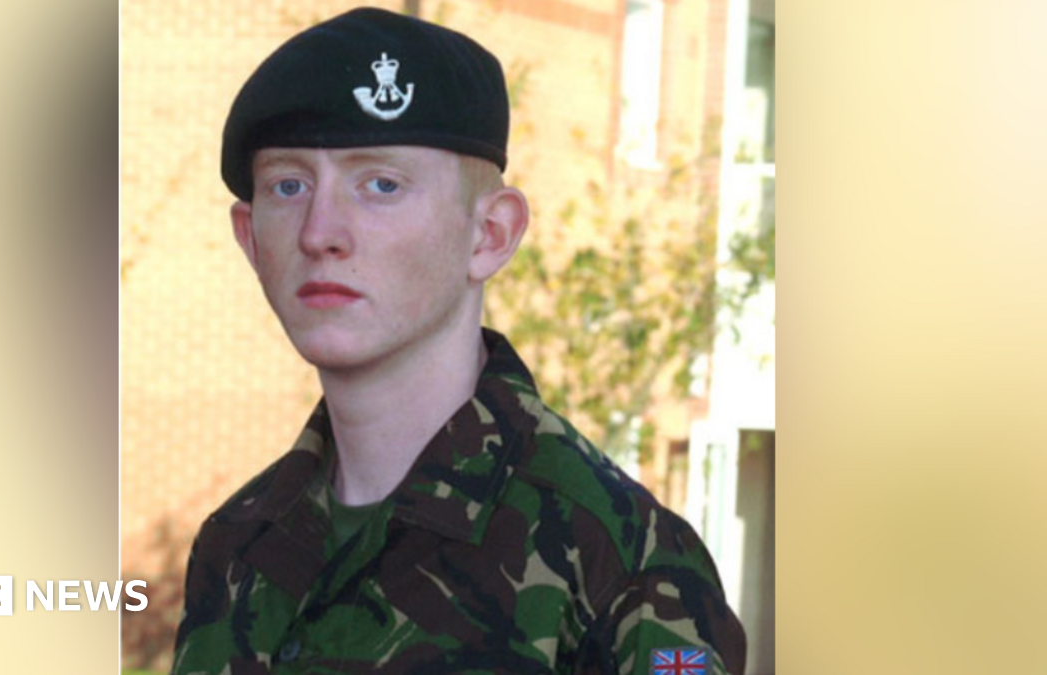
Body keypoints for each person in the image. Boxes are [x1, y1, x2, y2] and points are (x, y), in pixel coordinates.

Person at [172, 8, 746, 675]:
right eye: (289, 185)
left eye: (380, 184)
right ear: (249, 238)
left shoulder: (622, 564)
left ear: (490, 235)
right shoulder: (236, 543)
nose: (320, 231)